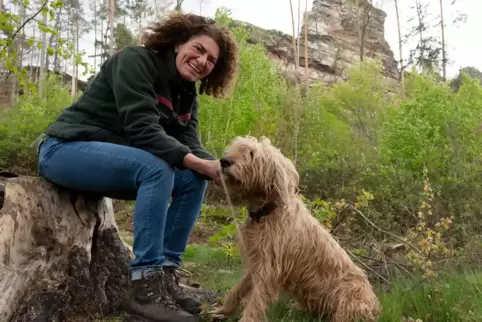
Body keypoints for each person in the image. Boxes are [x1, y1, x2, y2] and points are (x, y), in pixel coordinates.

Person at [31, 13, 238, 322]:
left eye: (211, 60)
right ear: (179, 42)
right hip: (64, 150)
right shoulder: (135, 60)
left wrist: (223, 170)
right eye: (198, 49)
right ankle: (145, 288)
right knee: (159, 168)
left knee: (194, 178)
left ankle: (166, 278)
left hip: (109, 165)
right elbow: (142, 128)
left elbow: (191, 145)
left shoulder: (186, 95)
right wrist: (194, 161)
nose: (202, 61)